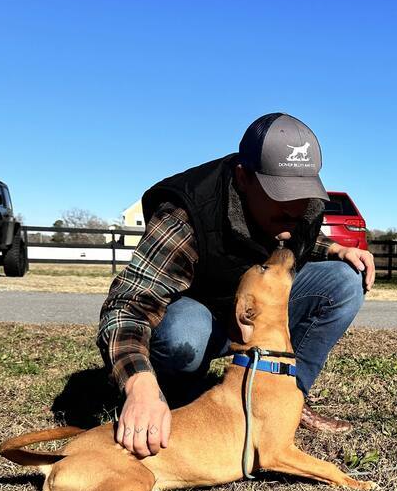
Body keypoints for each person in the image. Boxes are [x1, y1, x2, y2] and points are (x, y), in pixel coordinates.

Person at [97, 112, 376, 458]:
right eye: (280, 198)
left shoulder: (299, 211)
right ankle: (175, 401)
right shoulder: (187, 213)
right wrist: (139, 386)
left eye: (301, 198)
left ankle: (288, 398)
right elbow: (127, 306)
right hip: (202, 317)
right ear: (244, 178)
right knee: (185, 333)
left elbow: (297, 237)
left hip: (254, 311)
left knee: (344, 282)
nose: (294, 216)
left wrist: (336, 249)